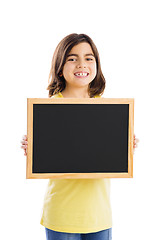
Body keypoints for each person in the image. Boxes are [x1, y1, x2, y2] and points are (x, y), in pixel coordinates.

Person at [21, 33, 139, 240]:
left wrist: (124, 147)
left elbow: (104, 156)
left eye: (88, 58)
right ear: (60, 66)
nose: (81, 65)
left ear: (97, 65)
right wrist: (35, 150)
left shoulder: (108, 110)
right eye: (72, 59)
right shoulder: (48, 110)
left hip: (99, 216)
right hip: (61, 216)